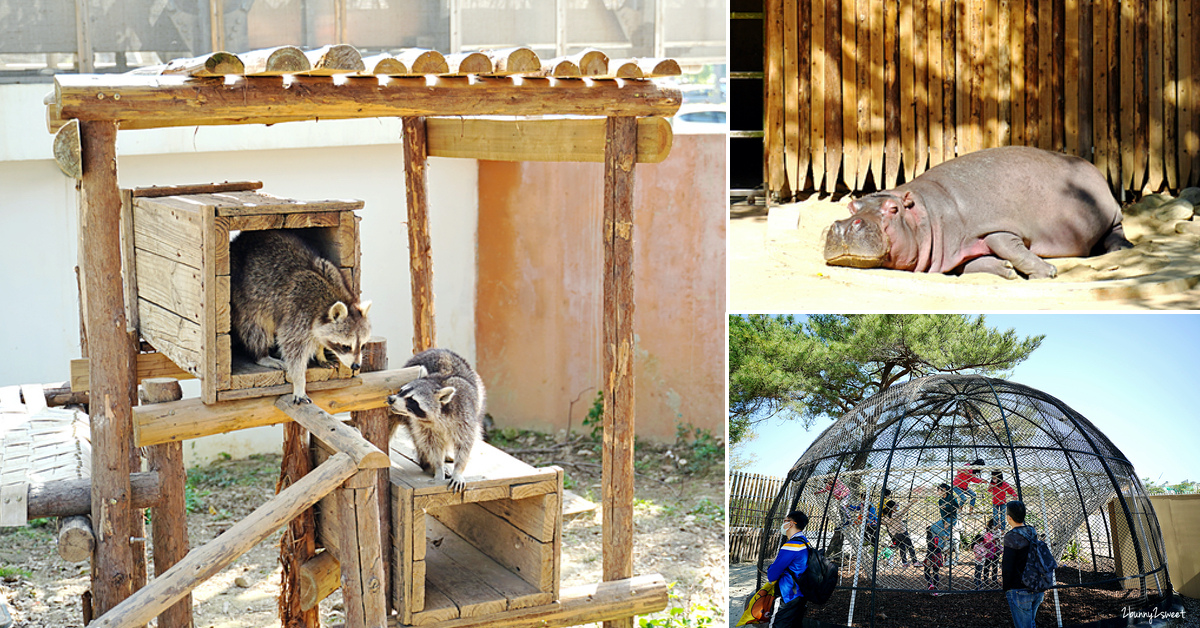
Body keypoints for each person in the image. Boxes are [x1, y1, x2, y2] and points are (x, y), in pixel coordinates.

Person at [1002, 500, 1044, 628]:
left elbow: (1007, 565)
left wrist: (1006, 587)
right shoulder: (1032, 531)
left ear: (1009, 517)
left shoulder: (1011, 536)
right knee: (1030, 622)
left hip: (1019, 588)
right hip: (1036, 585)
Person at [766, 510, 810, 627]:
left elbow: (773, 573)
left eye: (785, 521)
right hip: (800, 593)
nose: (783, 524)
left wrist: (771, 573)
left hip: (788, 594)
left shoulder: (792, 546)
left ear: (791, 523)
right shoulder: (806, 543)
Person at [881, 496, 917, 565]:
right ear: (892, 508)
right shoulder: (897, 514)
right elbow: (905, 509)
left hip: (895, 535)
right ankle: (915, 561)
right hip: (903, 532)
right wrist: (912, 502)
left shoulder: (885, 517)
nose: (897, 507)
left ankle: (904, 562)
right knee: (910, 546)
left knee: (902, 547)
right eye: (895, 506)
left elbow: (882, 522)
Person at [971, 517, 1002, 589]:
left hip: (996, 549)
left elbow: (1001, 539)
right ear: (993, 523)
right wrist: (991, 539)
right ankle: (985, 580)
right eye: (998, 522)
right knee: (987, 565)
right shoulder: (986, 530)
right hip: (987, 550)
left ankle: (994, 579)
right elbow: (983, 540)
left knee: (995, 565)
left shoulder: (999, 531)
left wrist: (999, 540)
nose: (1000, 523)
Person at [923, 524, 945, 596]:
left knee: (926, 570)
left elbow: (930, 548)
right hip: (938, 555)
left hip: (931, 555)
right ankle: (936, 590)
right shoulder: (939, 535)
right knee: (936, 572)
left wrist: (928, 558)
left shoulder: (929, 537)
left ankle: (930, 584)